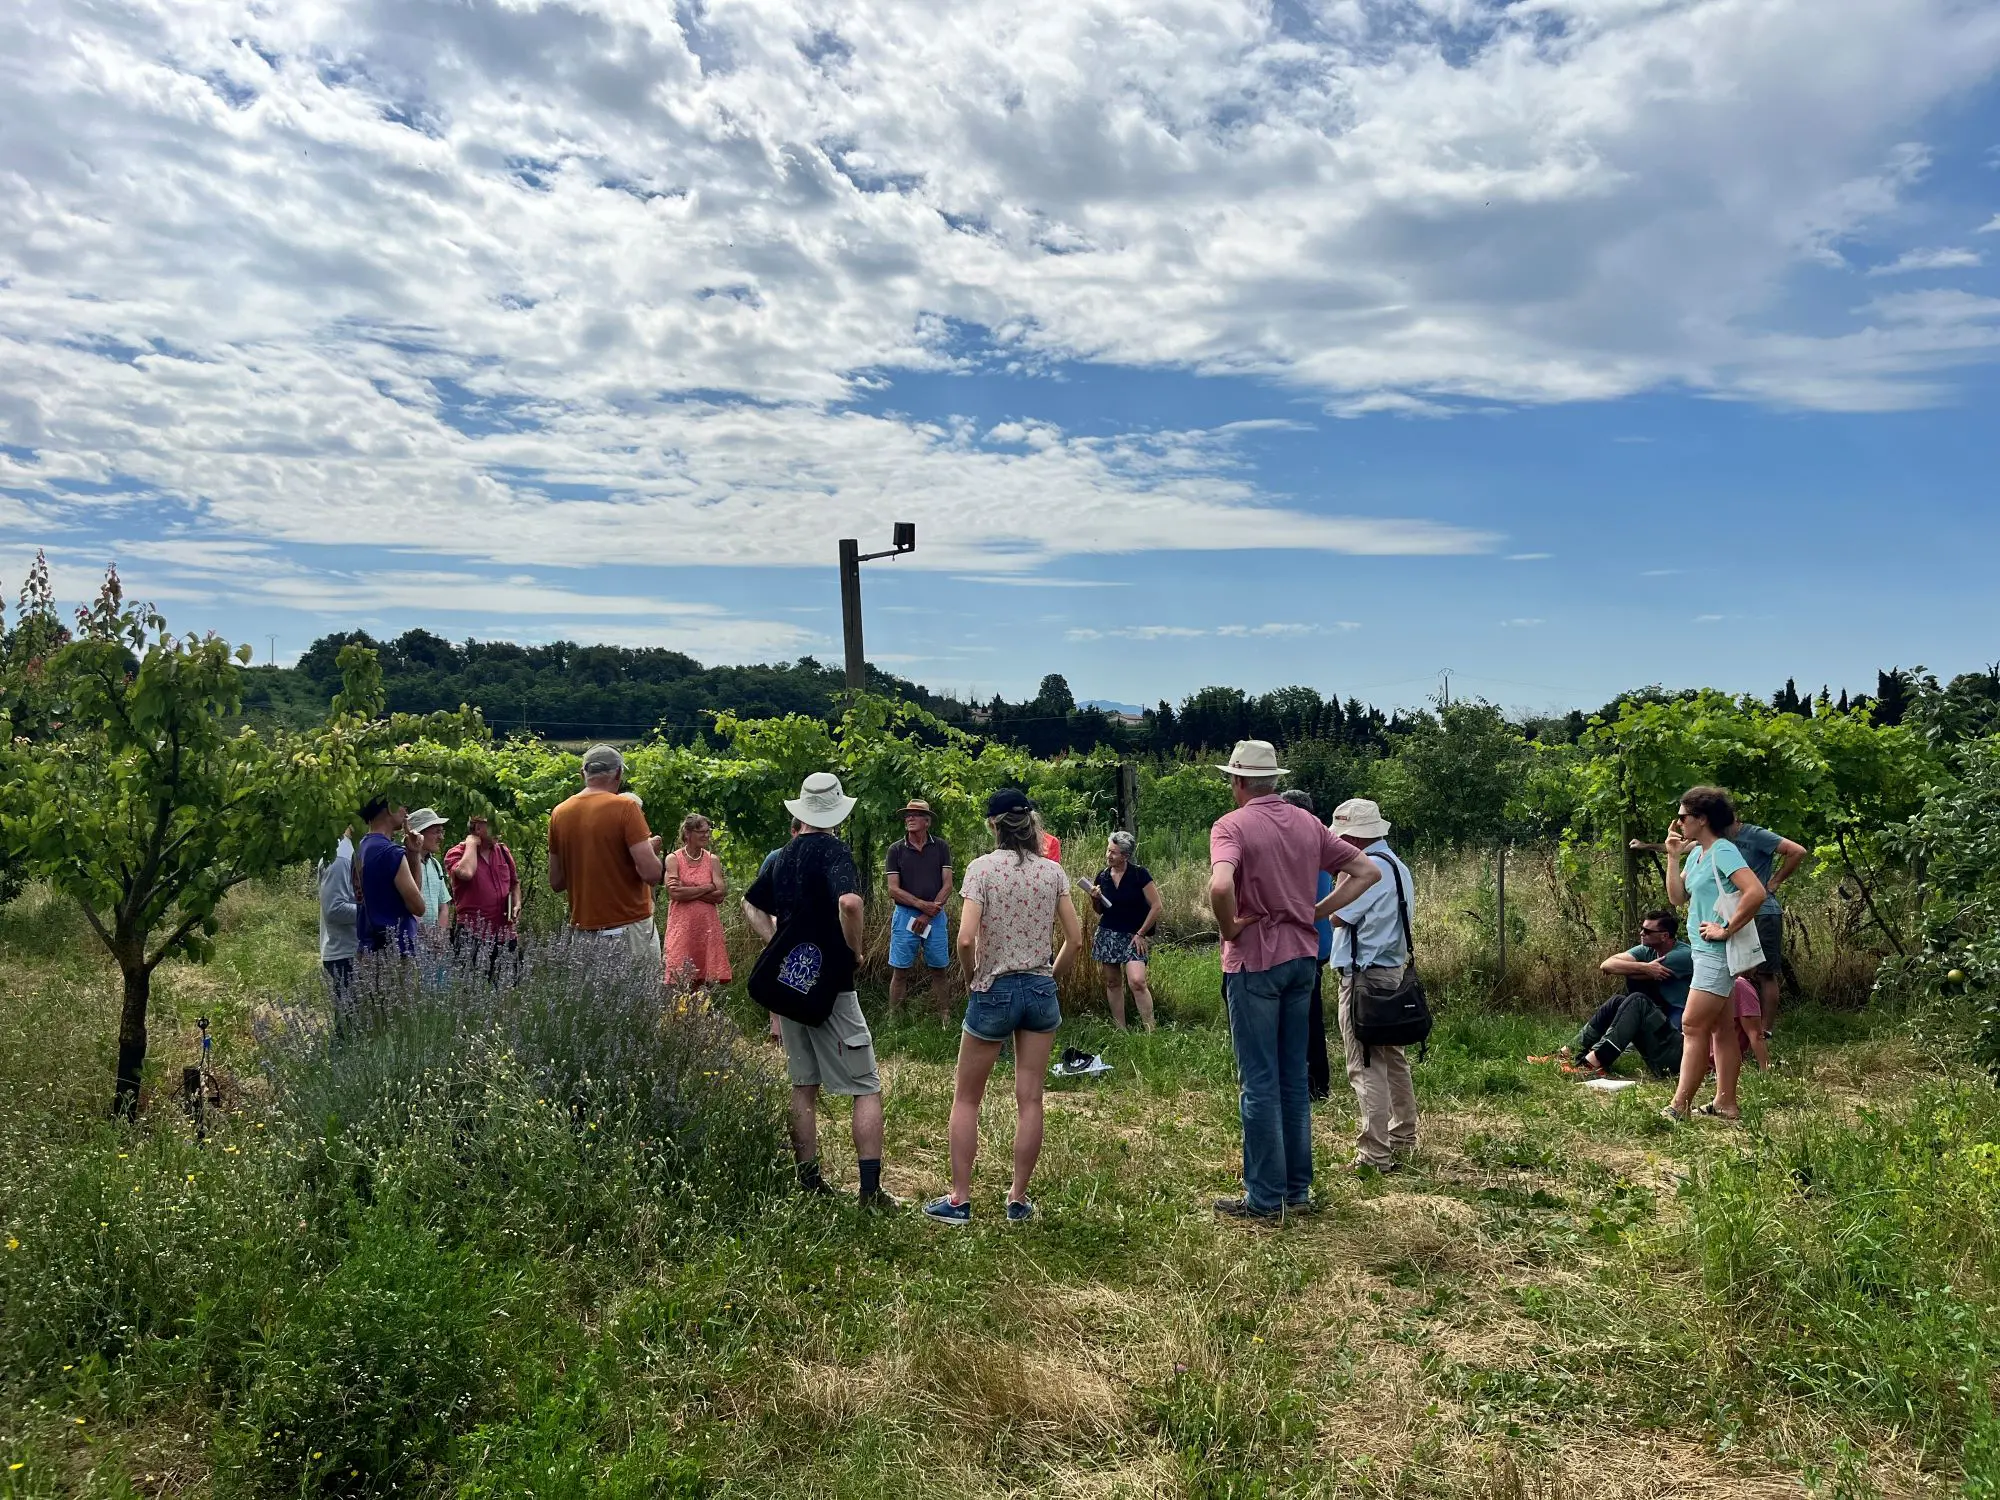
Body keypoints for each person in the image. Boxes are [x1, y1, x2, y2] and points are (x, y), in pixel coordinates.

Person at [1207, 742, 1380, 1220]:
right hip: (1303, 958)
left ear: (1238, 782)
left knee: (1259, 1080)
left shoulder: (1231, 826)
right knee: (1293, 1077)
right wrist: (1317, 912)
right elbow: (1365, 871)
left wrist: (1228, 928)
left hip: (1254, 960)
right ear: (1274, 780)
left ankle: (1264, 1198)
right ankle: (1298, 1191)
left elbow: (1221, 886)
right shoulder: (1308, 823)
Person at [925, 789, 1083, 1225]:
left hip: (993, 988)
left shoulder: (980, 870)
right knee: (1030, 1098)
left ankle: (959, 1199)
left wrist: (970, 974)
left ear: (993, 824)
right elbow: (1075, 938)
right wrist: (1051, 975)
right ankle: (1017, 1199)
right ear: (1031, 824)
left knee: (967, 1098)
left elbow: (965, 938)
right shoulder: (1053, 872)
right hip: (1038, 989)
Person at [742, 773, 897, 1208]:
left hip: (790, 981)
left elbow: (751, 904)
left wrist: (776, 941)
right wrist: (854, 950)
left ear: (802, 812)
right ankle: (870, 1191)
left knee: (803, 1083)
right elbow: (850, 903)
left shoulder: (785, 854)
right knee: (865, 1083)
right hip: (830, 986)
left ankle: (809, 1180)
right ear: (836, 812)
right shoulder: (834, 851)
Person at [1662, 785, 1768, 1122]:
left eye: (1682, 817)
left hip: (1715, 953)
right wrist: (1673, 856)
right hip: (1701, 951)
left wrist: (1726, 929)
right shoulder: (1697, 855)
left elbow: (1756, 892)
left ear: (1702, 818)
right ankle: (1726, 1103)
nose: (1678, 823)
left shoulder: (1723, 850)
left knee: (1692, 1026)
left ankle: (1679, 1107)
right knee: (1720, 1030)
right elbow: (1677, 898)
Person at [1327, 798, 1419, 1173]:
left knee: (1365, 1063)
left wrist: (1340, 879)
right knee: (1392, 1056)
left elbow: (1335, 916)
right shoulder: (1398, 866)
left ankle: (1375, 1153)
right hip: (1392, 972)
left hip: (1363, 977)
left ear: (1354, 838)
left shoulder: (1364, 870)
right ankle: (1403, 1134)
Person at [547, 745, 665, 970]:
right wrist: (649, 849)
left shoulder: (559, 813)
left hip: (584, 930)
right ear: (619, 773)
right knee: (641, 1000)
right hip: (629, 928)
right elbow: (651, 873)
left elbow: (556, 882)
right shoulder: (626, 807)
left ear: (583, 774)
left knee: (595, 1002)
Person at [1544, 910, 1692, 1079]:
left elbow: (1624, 971)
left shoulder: (1683, 956)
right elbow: (1608, 965)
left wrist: (1632, 970)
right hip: (1660, 1032)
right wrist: (1646, 968)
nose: (1641, 933)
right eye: (1641, 928)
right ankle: (1567, 1053)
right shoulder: (1648, 951)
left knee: (1637, 1000)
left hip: (1678, 1049)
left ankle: (1593, 1063)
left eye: (1648, 931)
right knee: (1617, 1001)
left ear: (1665, 936)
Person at [1720, 816, 1807, 1036]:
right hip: (1734, 912)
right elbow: (1687, 846)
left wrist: (1775, 882)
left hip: (1763, 912)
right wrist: (1647, 846)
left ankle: (1765, 1031)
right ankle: (1739, 1027)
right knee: (1737, 969)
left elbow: (1797, 851)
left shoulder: (1755, 834)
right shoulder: (1718, 838)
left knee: (1765, 972)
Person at [1280, 789, 1335, 1099]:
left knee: (1307, 1014)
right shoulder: (1321, 838)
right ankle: (1313, 1080)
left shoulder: (1304, 841)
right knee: (1308, 1012)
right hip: (1318, 940)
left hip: (1305, 941)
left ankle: (1315, 1083)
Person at [885, 800, 954, 1018]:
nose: (910, 818)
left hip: (934, 916)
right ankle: (894, 1020)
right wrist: (920, 905)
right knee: (900, 969)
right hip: (906, 915)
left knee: (939, 969)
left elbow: (948, 885)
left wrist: (927, 912)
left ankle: (945, 1016)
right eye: (907, 815)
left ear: (927, 821)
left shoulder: (941, 847)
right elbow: (893, 890)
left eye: (916, 815)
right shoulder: (895, 850)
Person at [1087, 830, 1161, 1031]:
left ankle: (1151, 1030)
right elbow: (1100, 911)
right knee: (1112, 982)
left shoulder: (1139, 875)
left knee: (1137, 981)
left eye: (1114, 852)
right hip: (1108, 933)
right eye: (1108, 850)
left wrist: (1141, 933)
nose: (1108, 855)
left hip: (1133, 935)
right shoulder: (1102, 876)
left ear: (1125, 856)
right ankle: (1121, 1029)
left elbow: (1156, 906)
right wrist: (1095, 898)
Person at [663, 813, 732, 994]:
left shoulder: (712, 860)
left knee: (705, 980)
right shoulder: (673, 859)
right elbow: (674, 892)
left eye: (708, 832)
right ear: (688, 833)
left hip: (707, 928)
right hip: (682, 927)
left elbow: (720, 893)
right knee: (679, 979)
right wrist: (707, 887)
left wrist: (689, 890)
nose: (706, 836)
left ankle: (703, 1017)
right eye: (701, 832)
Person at [446, 814, 521, 977]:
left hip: (505, 934)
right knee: (471, 991)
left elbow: (514, 883)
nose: (499, 830)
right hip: (472, 935)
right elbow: (465, 873)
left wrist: (517, 903)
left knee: (509, 990)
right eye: (493, 825)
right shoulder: (456, 853)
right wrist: (471, 844)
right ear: (478, 828)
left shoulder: (503, 851)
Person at [355, 797, 424, 955]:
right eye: (401, 804)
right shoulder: (390, 853)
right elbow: (418, 907)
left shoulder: (361, 848)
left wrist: (413, 853)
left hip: (368, 948)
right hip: (395, 952)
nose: (406, 811)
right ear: (389, 809)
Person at [318, 824, 359, 1006]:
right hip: (345, 954)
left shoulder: (351, 851)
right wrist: (374, 912)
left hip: (354, 952)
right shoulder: (341, 855)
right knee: (350, 1028)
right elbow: (334, 910)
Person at [408, 809, 451, 934]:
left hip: (433, 946)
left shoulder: (435, 864)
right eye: (436, 832)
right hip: (411, 940)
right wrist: (425, 933)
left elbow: (443, 905)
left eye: (442, 832)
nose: (441, 837)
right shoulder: (403, 862)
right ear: (419, 834)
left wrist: (440, 933)